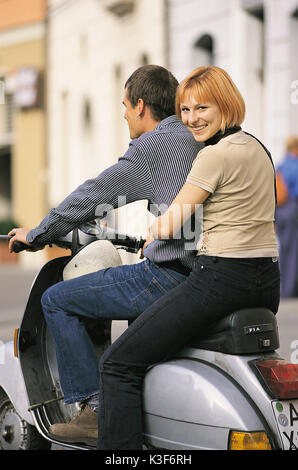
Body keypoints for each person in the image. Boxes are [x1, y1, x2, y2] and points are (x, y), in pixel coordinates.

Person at [8, 65, 203, 445]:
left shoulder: (151, 147)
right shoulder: (195, 136)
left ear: (142, 106)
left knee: (57, 300)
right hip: (203, 271)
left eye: (126, 106)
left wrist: (37, 233)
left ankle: (93, 411)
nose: (124, 114)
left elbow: (95, 195)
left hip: (169, 275)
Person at [96, 65, 280, 450]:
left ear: (225, 106)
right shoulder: (259, 148)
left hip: (220, 281)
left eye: (203, 109)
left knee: (118, 363)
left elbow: (173, 222)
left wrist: (151, 234)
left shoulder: (212, 157)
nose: (192, 119)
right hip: (267, 284)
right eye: (185, 110)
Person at [275, 135, 298, 297]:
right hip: (292, 208)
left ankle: (283, 286)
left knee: (284, 248)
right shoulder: (296, 165)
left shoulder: (281, 165)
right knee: (294, 251)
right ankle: (291, 289)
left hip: (280, 211)